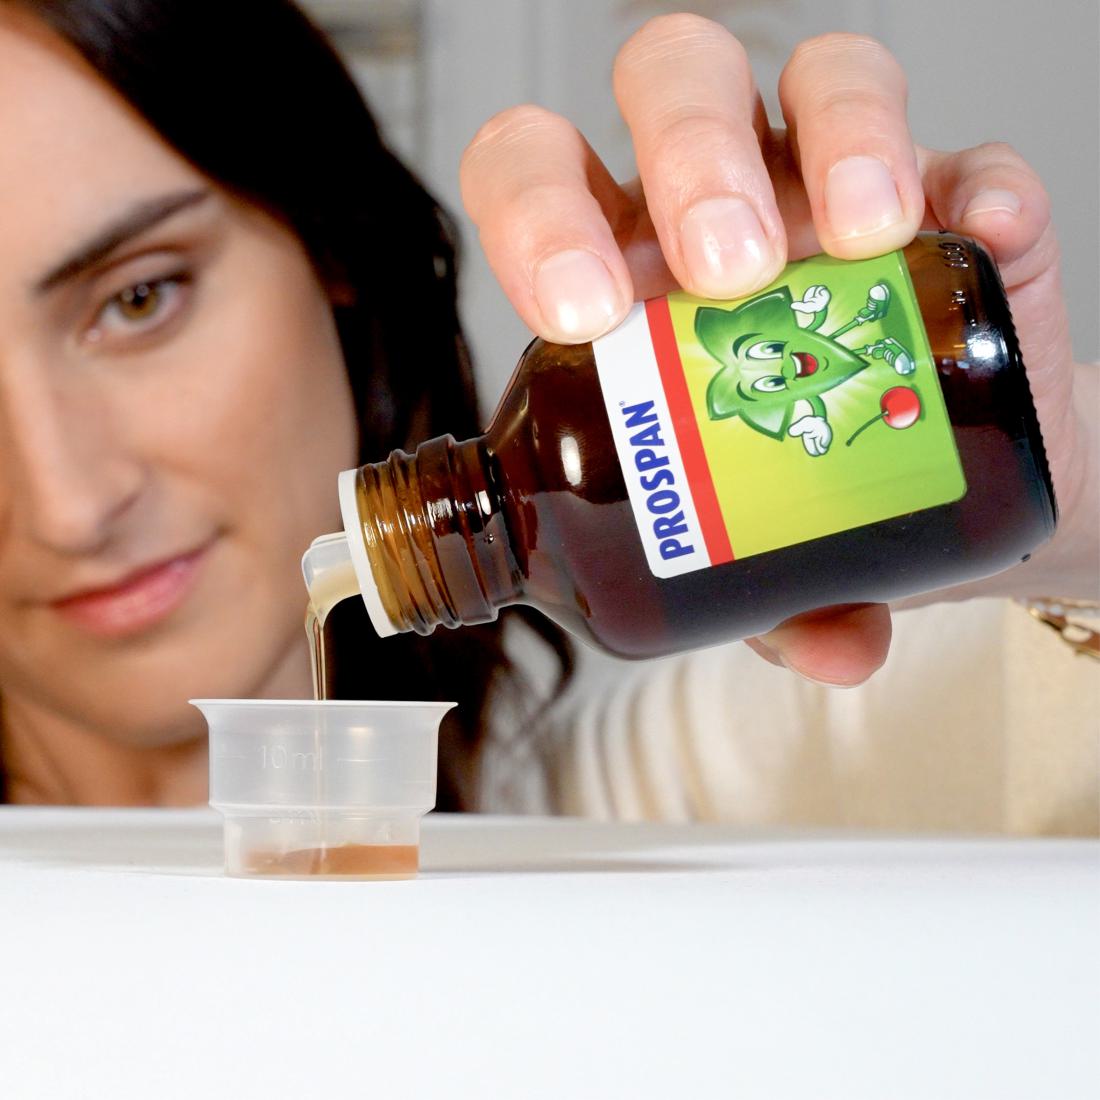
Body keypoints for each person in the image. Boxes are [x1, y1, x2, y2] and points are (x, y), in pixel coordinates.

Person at [0, 3, 1094, 823]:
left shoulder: (661, 795)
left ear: (330, 245)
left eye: (139, 298)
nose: (70, 504)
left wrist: (1067, 481)